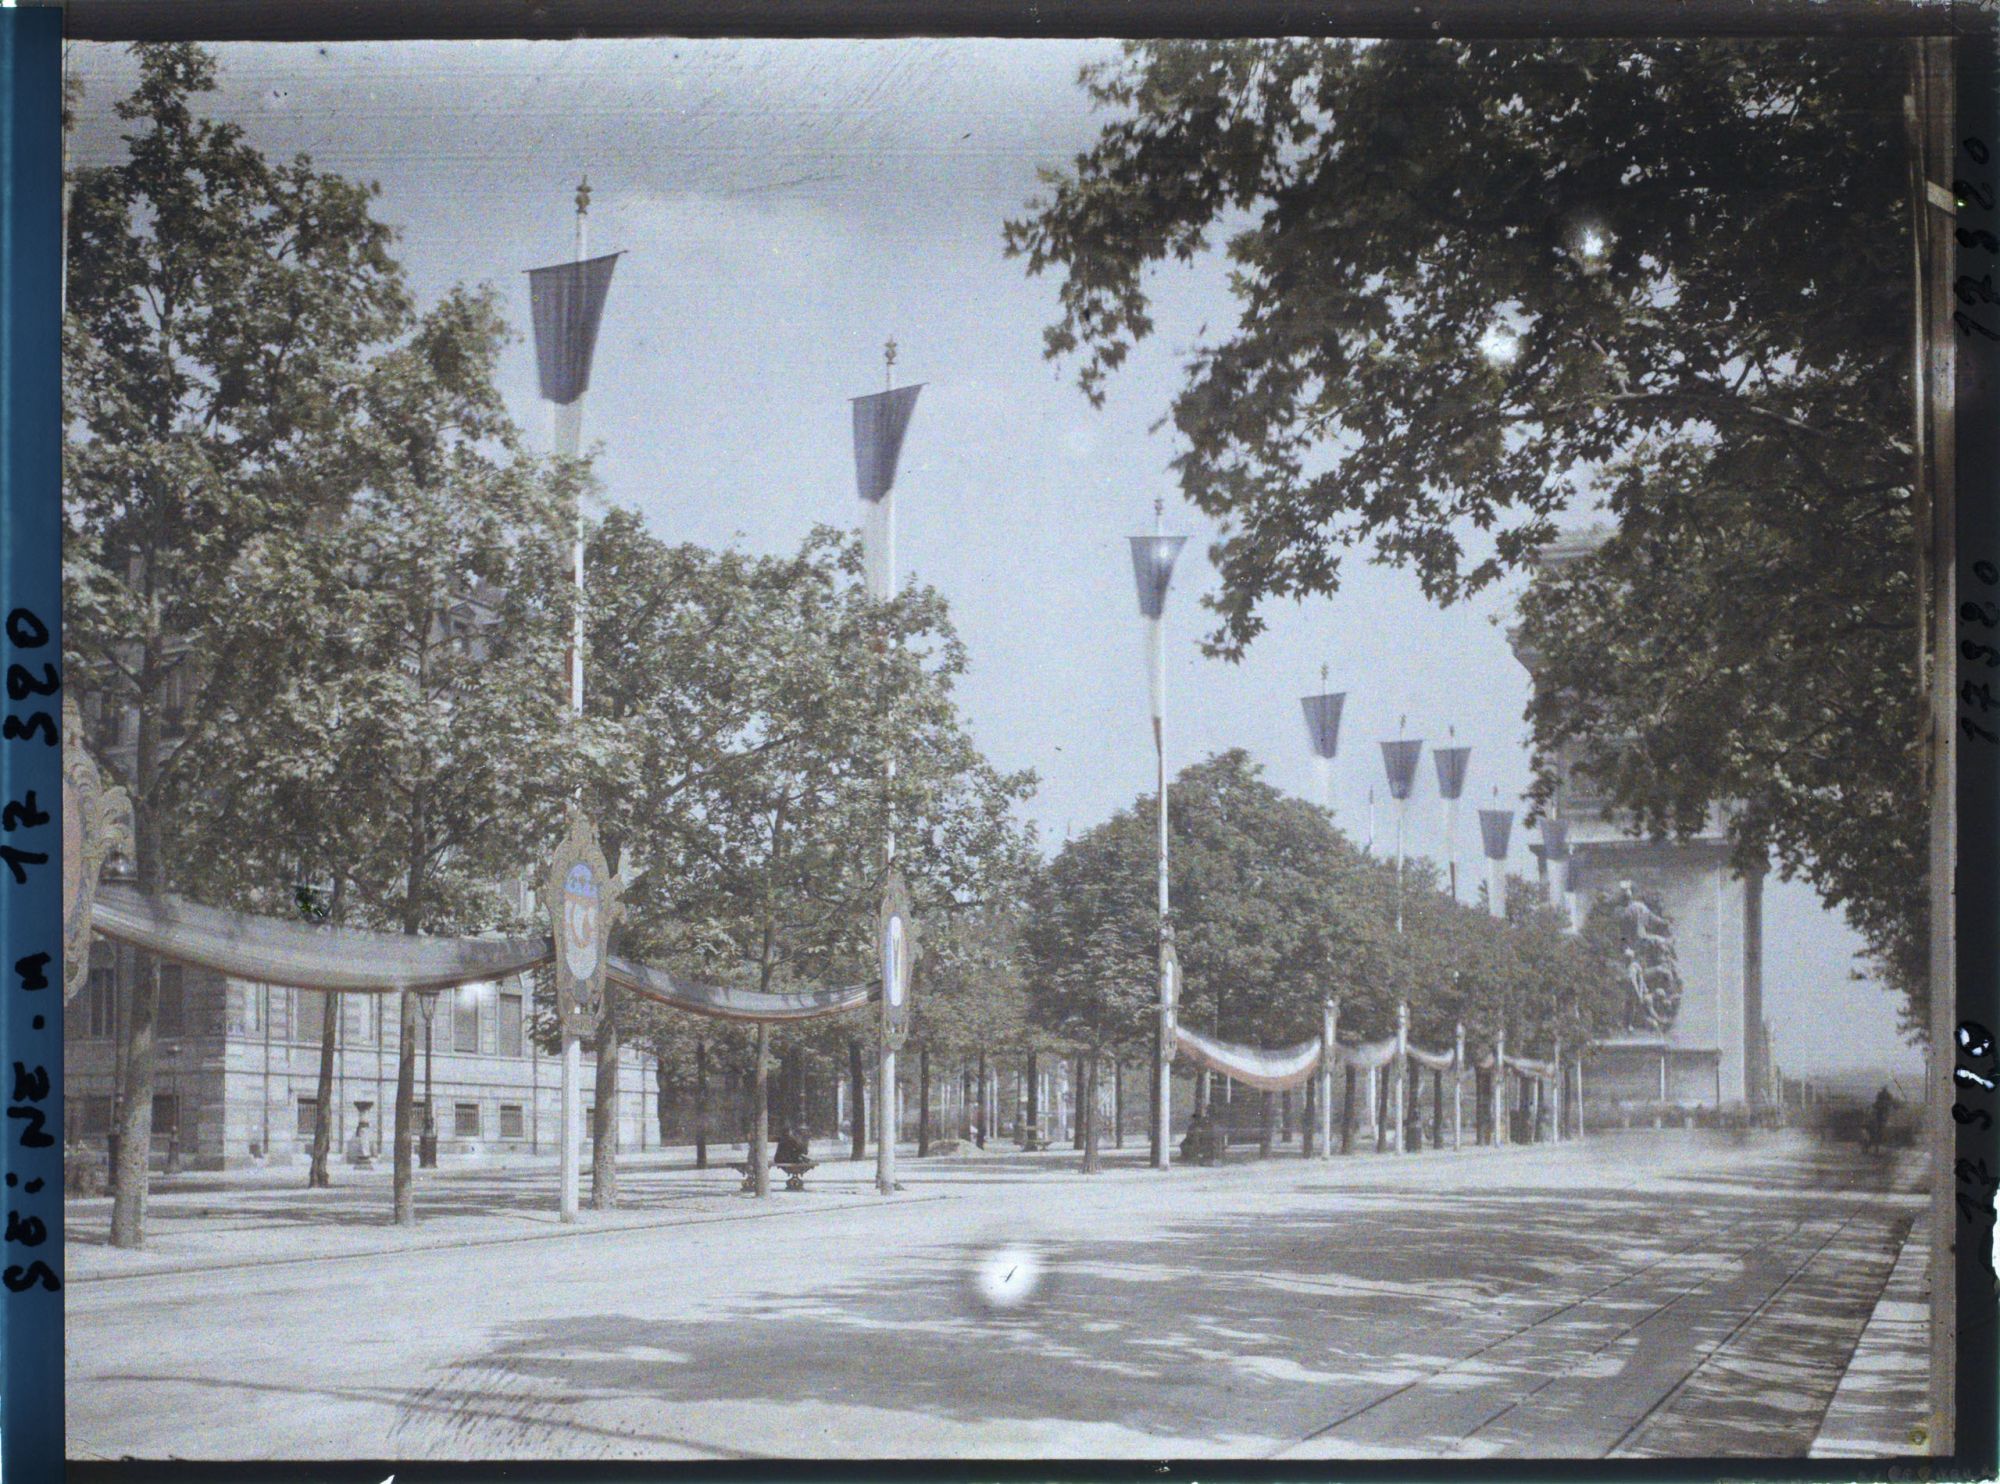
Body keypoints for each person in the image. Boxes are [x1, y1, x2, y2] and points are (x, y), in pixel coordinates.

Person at [1870, 1086, 1897, 1151]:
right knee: (1880, 1127)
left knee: (1880, 1127)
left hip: (1882, 1114)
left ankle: (1878, 1141)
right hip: (1881, 1115)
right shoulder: (1884, 1097)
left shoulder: (1883, 1097)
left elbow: (1890, 1102)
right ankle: (1878, 1142)